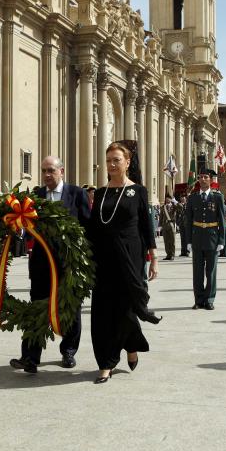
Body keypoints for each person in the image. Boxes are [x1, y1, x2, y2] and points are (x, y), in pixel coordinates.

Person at [9, 156, 90, 374]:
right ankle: (30, 357)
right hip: (41, 264)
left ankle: (68, 351)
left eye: (51, 170)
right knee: (36, 307)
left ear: (61, 171)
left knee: (71, 309)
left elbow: (88, 227)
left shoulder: (76, 194)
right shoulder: (36, 195)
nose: (47, 175)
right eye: (44, 170)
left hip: (69, 264)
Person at [88, 142, 159, 384]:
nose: (111, 165)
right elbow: (94, 227)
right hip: (104, 258)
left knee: (126, 309)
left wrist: (154, 259)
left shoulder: (138, 191)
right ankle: (106, 362)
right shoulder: (99, 193)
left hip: (131, 256)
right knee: (103, 310)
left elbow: (146, 227)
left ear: (127, 162)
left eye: (116, 160)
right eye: (108, 160)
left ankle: (131, 345)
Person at [184, 169, 225, 310]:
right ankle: (199, 300)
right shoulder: (193, 198)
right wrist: (188, 241)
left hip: (212, 238)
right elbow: (188, 221)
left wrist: (221, 241)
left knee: (211, 271)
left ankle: (209, 299)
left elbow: (222, 220)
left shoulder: (218, 197)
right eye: (200, 177)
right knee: (197, 271)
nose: (202, 179)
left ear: (211, 180)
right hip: (196, 238)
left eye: (205, 177)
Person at [159, 196, 177, 261]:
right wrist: (159, 226)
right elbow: (161, 217)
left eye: (168, 198)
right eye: (166, 199)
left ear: (170, 199)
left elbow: (181, 207)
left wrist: (175, 201)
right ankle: (168, 255)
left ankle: (172, 255)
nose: (167, 200)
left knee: (172, 241)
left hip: (171, 225)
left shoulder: (174, 206)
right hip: (165, 226)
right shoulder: (163, 207)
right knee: (166, 241)